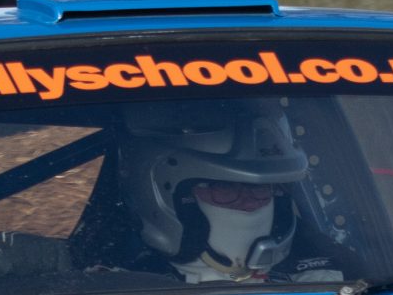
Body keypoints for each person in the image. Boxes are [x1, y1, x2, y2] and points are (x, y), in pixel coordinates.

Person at [117, 100, 339, 284]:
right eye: (224, 188)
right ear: (171, 198)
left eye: (259, 188)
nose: (248, 202)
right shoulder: (121, 290)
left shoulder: (332, 281)